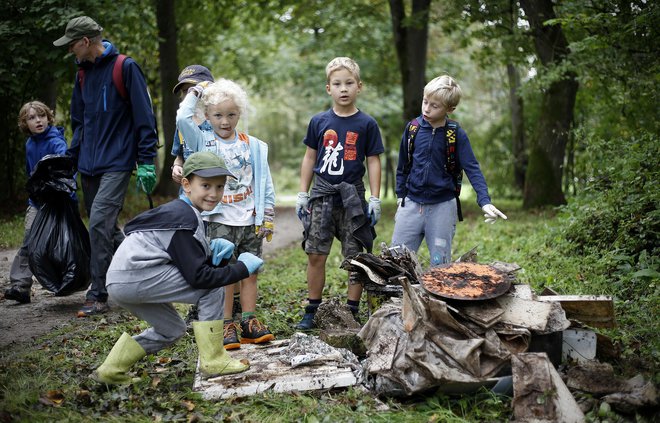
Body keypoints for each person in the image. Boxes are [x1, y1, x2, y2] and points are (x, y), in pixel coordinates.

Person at [91, 151, 261, 385]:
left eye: (220, 187)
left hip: (120, 280)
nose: (213, 193)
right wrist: (242, 268)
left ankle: (111, 370)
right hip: (137, 276)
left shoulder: (182, 213)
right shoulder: (184, 218)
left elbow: (188, 261)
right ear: (186, 184)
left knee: (171, 329)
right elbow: (200, 277)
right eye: (206, 185)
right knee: (213, 288)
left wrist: (215, 257)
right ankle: (214, 360)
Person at [53, 16, 159, 317]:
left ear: (86, 42)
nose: (71, 51)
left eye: (72, 45)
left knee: (98, 222)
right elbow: (79, 121)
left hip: (117, 161)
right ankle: (143, 272)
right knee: (108, 229)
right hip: (88, 163)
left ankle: (98, 293)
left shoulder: (124, 67)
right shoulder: (82, 75)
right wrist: (69, 161)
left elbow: (144, 117)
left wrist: (147, 160)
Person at [176, 78, 276, 349]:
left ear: (239, 114)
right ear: (207, 115)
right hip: (219, 219)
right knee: (224, 272)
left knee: (250, 272)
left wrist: (267, 215)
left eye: (231, 115)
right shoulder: (202, 140)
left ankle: (249, 322)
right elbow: (183, 118)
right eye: (218, 115)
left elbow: (264, 182)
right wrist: (198, 91)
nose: (224, 121)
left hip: (249, 218)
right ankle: (227, 324)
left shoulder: (252, 145)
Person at [294, 57, 384, 330]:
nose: (343, 88)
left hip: (352, 195)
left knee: (355, 256)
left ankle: (352, 311)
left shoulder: (367, 123)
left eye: (349, 83)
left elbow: (373, 160)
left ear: (359, 87)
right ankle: (312, 309)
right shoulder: (319, 121)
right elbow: (310, 158)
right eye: (337, 84)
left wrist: (375, 198)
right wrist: (302, 192)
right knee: (315, 253)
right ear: (328, 89)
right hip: (322, 193)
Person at [391, 75, 507, 266]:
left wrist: (484, 201)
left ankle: (436, 295)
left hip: (442, 207)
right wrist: (400, 195)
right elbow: (403, 165)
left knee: (440, 263)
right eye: (425, 102)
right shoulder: (412, 129)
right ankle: (397, 295)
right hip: (410, 204)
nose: (427, 108)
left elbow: (472, 168)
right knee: (395, 260)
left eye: (434, 106)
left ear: (449, 109)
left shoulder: (456, 134)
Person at [4, 101, 69, 304]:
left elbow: (63, 162)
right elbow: (29, 172)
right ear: (26, 124)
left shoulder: (55, 140)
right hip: (37, 202)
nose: (37, 120)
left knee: (61, 243)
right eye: (31, 118)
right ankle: (20, 286)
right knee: (29, 240)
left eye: (41, 116)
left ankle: (70, 279)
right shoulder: (30, 144)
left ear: (48, 118)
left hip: (58, 202)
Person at [170, 65, 214, 184]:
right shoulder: (182, 126)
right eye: (185, 91)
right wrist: (176, 167)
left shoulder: (219, 123)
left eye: (194, 89)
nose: (191, 95)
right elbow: (179, 157)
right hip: (189, 190)